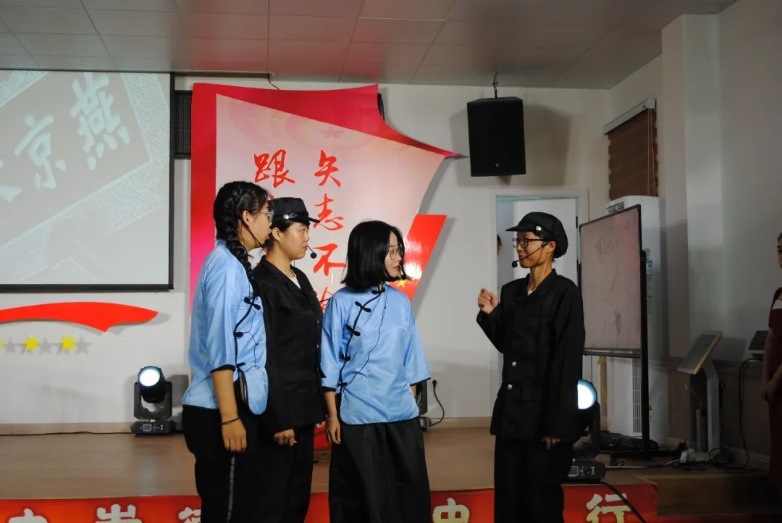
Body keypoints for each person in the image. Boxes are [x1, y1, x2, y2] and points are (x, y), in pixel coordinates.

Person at [476, 212, 584, 523]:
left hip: (543, 420)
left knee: (540, 505)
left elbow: (566, 361)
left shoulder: (565, 293)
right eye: (518, 240)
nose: (520, 247)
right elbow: (508, 345)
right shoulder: (512, 292)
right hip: (511, 416)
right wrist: (492, 314)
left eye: (526, 240)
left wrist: (558, 426)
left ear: (550, 246)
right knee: (508, 503)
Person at [321, 220, 432, 523]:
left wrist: (406, 402)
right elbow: (329, 362)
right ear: (371, 254)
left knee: (408, 500)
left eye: (399, 251)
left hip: (401, 417)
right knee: (364, 503)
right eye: (392, 251)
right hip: (359, 419)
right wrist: (332, 416)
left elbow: (411, 359)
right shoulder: (341, 302)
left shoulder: (400, 301)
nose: (399, 258)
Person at [181, 181, 273, 522]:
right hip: (219, 408)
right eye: (266, 213)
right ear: (247, 217)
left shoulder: (234, 265)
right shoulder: (224, 268)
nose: (270, 222)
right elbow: (221, 350)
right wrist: (230, 418)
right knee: (228, 512)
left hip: (231, 404)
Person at [252, 197, 326, 523]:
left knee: (297, 498)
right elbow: (263, 354)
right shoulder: (261, 283)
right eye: (301, 229)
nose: (307, 237)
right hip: (280, 414)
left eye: (308, 230)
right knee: (274, 501)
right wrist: (278, 417)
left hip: (304, 407)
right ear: (277, 233)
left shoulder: (299, 277)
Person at [761, 232, 782, 491]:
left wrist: (775, 379)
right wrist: (764, 378)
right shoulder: (778, 294)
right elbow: (770, 338)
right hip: (775, 386)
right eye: (779, 249)